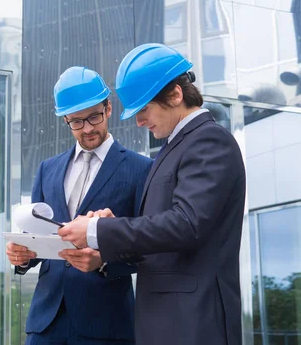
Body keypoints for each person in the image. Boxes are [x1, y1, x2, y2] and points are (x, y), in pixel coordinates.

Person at [58, 44, 246, 345]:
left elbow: (187, 225)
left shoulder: (209, 141)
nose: (139, 122)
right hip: (167, 321)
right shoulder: (173, 148)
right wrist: (108, 241)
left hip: (193, 323)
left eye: (144, 108)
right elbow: (160, 234)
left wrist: (97, 229)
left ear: (175, 95)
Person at [6, 66, 152, 345]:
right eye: (76, 121)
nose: (87, 128)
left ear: (108, 108)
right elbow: (40, 236)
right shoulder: (47, 169)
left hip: (105, 324)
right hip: (46, 321)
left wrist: (104, 260)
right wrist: (23, 255)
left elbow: (149, 242)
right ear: (66, 121)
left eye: (94, 117)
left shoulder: (141, 169)